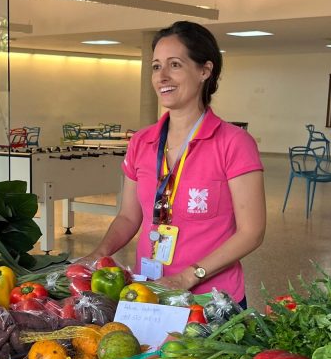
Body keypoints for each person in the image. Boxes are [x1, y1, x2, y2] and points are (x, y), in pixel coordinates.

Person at [84, 21, 266, 306]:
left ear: (205, 71)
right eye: (156, 67)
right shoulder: (141, 142)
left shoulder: (234, 143)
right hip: (151, 292)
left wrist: (188, 277)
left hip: (212, 300)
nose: (162, 76)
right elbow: (129, 217)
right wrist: (99, 253)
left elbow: (251, 232)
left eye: (175, 65)